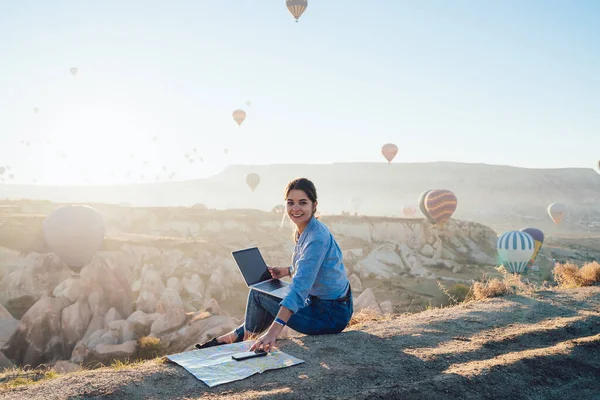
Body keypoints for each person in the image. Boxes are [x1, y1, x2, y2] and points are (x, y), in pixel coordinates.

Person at [195, 177, 353, 352]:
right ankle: (231, 338)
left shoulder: (316, 238)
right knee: (263, 289)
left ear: (314, 205)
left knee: (258, 294)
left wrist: (273, 333)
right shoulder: (308, 230)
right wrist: (286, 271)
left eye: (302, 203)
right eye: (290, 203)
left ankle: (243, 342)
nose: (295, 208)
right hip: (330, 305)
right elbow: (313, 267)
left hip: (329, 316)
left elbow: (300, 289)